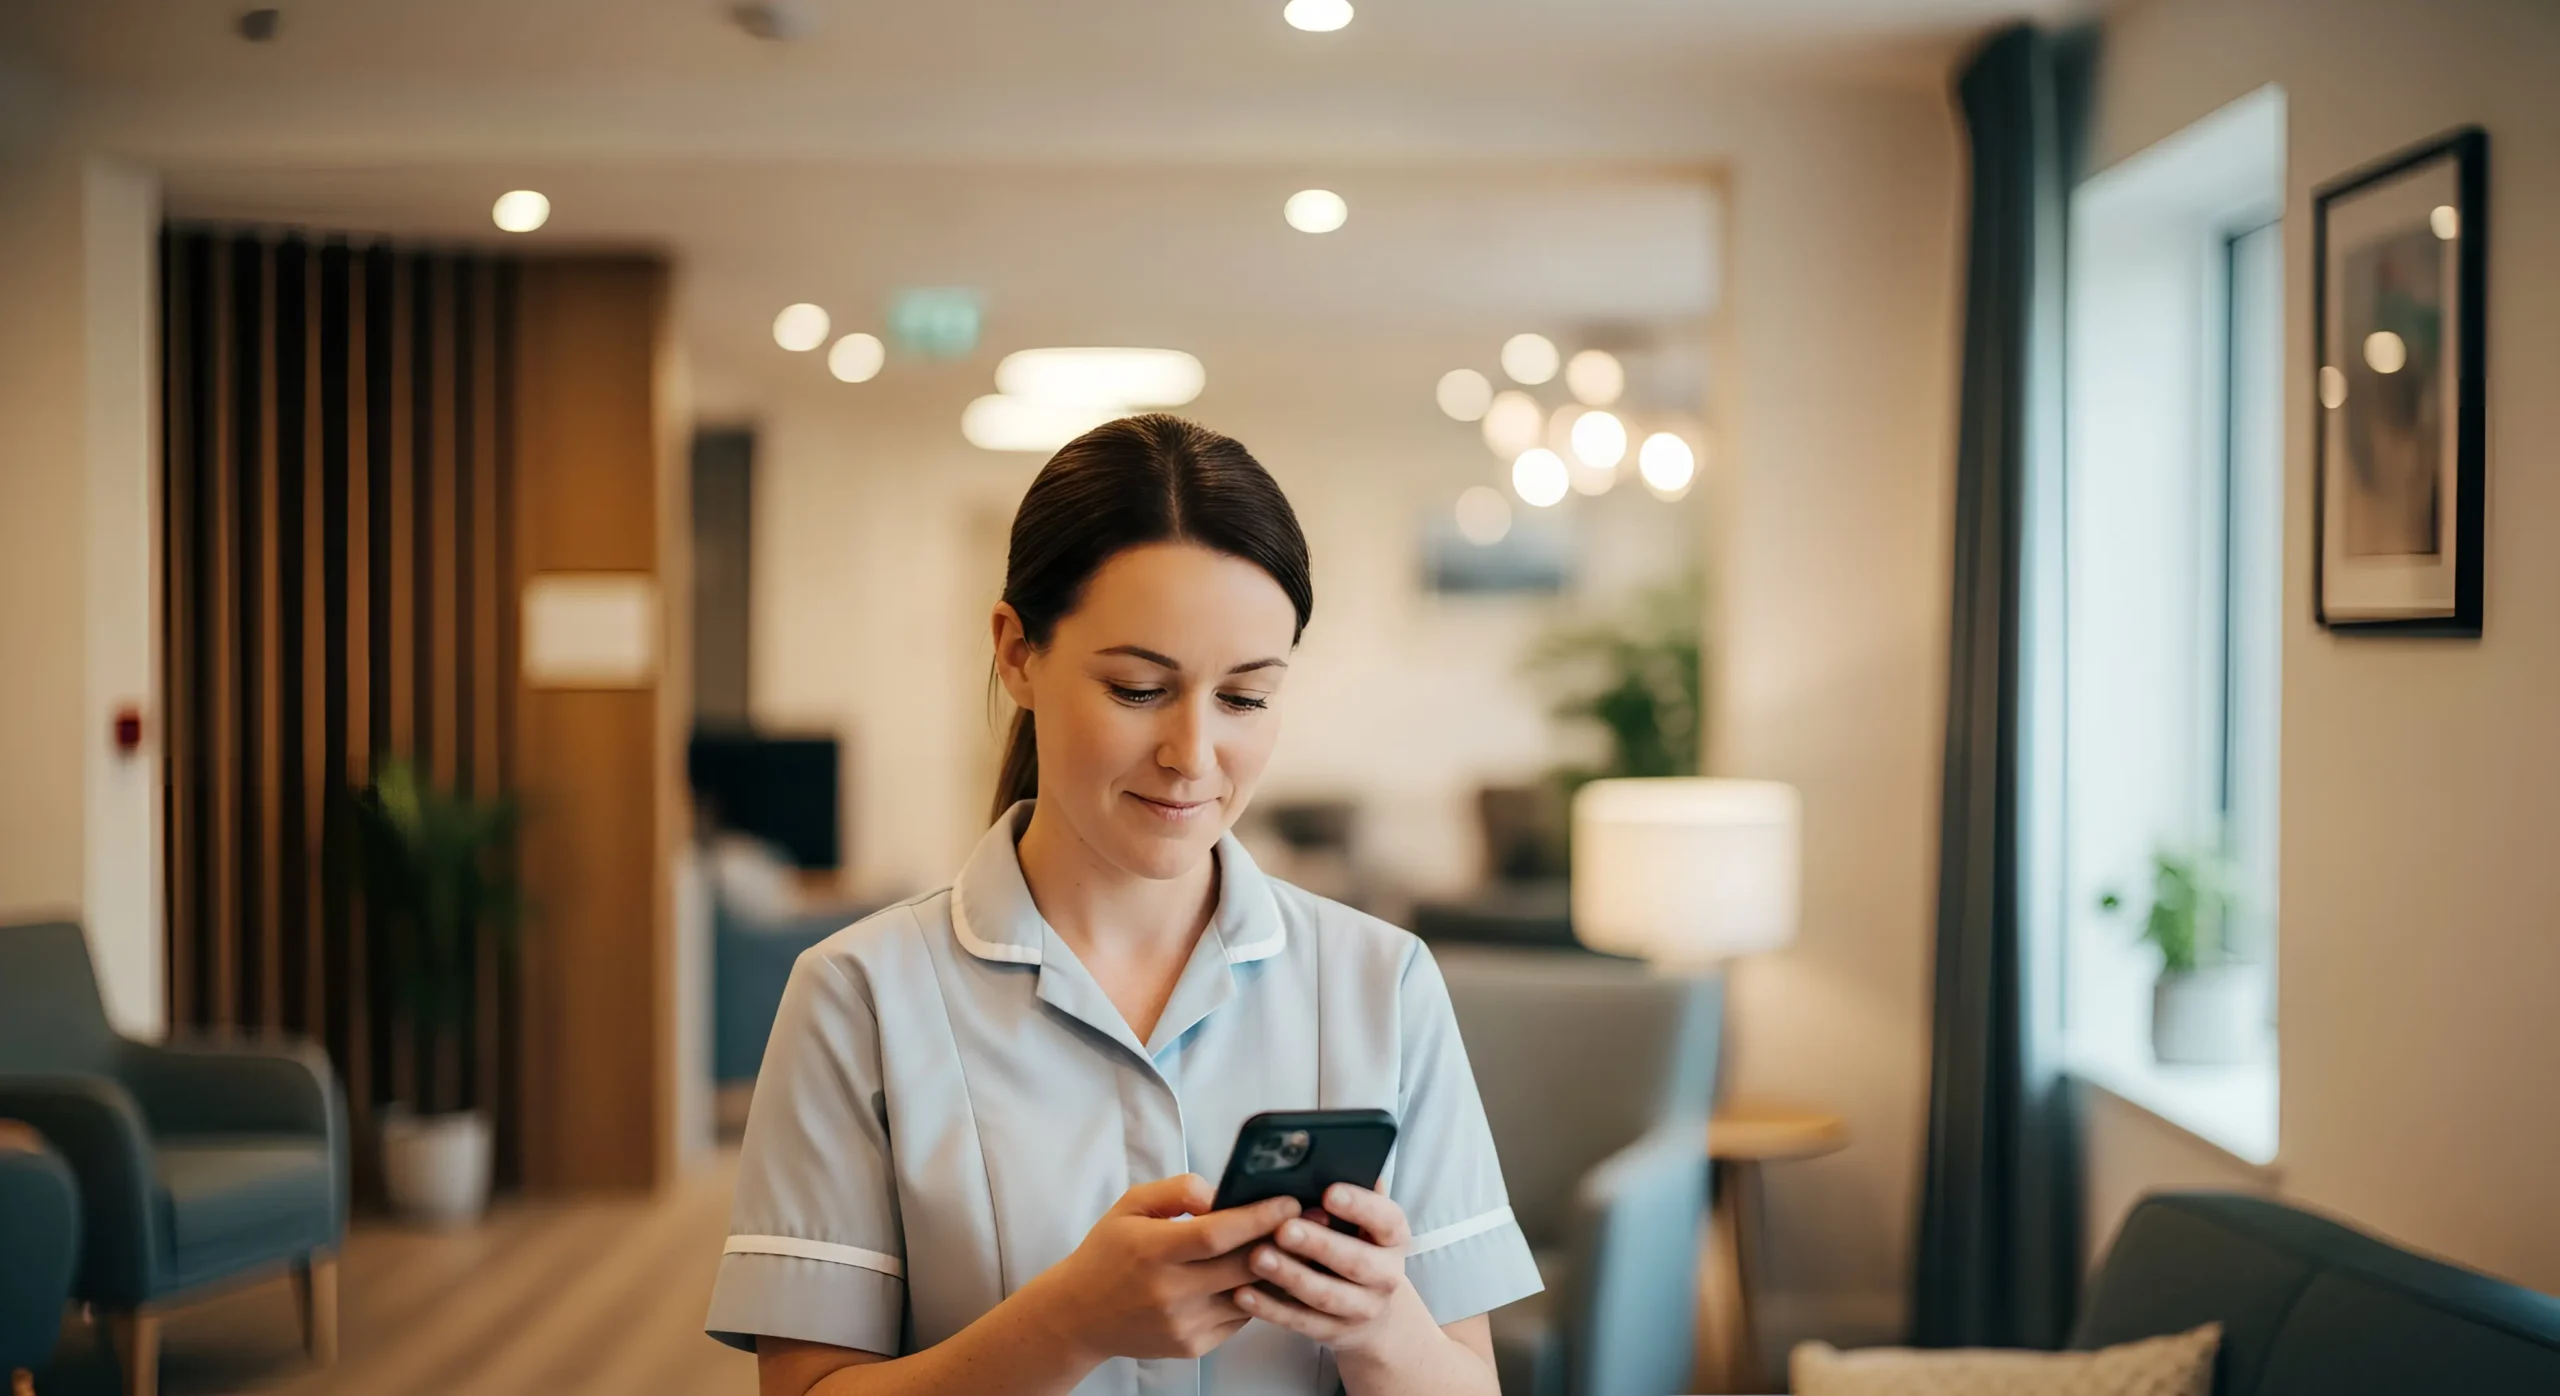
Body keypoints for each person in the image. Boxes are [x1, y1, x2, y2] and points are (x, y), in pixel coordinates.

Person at [705, 414, 1539, 1396]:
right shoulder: (859, 995)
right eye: (1140, 688)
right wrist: (1067, 1324)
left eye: (1244, 698)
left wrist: (1379, 1325)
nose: (1193, 753)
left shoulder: (1382, 982)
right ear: (1017, 652)